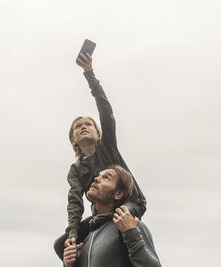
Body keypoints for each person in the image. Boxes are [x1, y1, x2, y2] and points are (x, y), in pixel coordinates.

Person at [54, 53, 147, 259]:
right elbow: (75, 202)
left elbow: (106, 111)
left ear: (98, 133)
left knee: (121, 215)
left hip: (130, 203)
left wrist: (89, 73)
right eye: (78, 127)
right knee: (60, 244)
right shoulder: (76, 169)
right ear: (74, 140)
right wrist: (72, 233)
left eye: (89, 124)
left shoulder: (107, 147)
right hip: (101, 214)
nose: (84, 127)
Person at [63, 165, 161, 267]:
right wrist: (69, 265)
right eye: (98, 176)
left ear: (118, 193)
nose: (96, 179)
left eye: (106, 177)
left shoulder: (134, 227)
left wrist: (131, 233)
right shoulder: (84, 239)